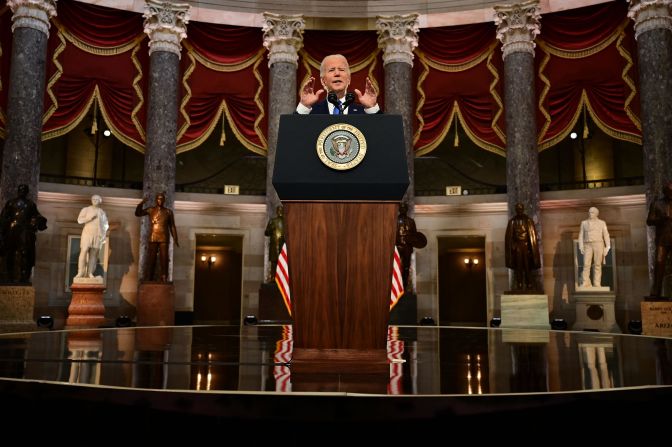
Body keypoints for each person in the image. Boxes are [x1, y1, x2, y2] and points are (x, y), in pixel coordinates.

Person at [296, 54, 380, 115]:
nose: (337, 73)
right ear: (323, 81)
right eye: (331, 70)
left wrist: (372, 108)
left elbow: (383, 134)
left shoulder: (364, 112)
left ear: (349, 79)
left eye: (341, 69)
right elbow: (292, 133)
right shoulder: (310, 112)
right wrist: (304, 106)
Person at [0, 184, 47, 283]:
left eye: (24, 190)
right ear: (18, 191)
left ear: (27, 192)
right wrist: (2, 230)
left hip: (25, 230)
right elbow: (4, 217)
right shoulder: (11, 203)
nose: (22, 191)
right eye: (21, 189)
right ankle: (9, 275)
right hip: (12, 230)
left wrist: (38, 221)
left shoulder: (30, 204)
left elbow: (36, 215)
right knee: (10, 253)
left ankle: (23, 276)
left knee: (25, 253)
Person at [135, 192, 179, 283]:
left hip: (164, 236)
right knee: (151, 258)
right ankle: (149, 277)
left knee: (164, 258)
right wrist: (141, 203)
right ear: (156, 200)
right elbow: (138, 213)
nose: (160, 200)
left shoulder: (168, 212)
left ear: (164, 200)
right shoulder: (151, 210)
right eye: (158, 198)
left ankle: (164, 277)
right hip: (153, 236)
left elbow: (172, 226)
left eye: (162, 199)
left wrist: (175, 238)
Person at [504, 203, 541, 291]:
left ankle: (529, 283)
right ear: (516, 210)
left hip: (526, 246)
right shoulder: (512, 221)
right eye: (518, 209)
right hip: (517, 247)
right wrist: (513, 246)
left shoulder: (528, 220)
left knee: (527, 266)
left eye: (520, 208)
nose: (519, 210)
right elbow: (509, 237)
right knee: (518, 266)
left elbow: (532, 236)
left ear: (523, 209)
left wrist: (531, 249)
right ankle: (519, 283)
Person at [646, 181, 672, 299]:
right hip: (662, 239)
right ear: (665, 192)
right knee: (659, 264)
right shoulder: (657, 203)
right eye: (669, 191)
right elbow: (649, 221)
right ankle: (656, 292)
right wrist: (661, 220)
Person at [75, 194, 109, 279]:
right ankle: (80, 272)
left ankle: (90, 273)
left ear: (100, 201)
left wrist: (103, 233)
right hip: (87, 232)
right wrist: (89, 218)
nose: (95, 200)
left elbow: (106, 225)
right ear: (91, 200)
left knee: (93, 254)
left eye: (97, 199)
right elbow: (79, 220)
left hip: (97, 234)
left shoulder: (102, 212)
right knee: (84, 250)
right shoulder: (86, 209)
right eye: (93, 199)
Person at [396, 203, 426, 291]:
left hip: (407, 247)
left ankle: (404, 283)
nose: (402, 210)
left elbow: (415, 235)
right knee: (397, 265)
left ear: (406, 210)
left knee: (406, 265)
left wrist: (412, 241)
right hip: (397, 246)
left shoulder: (411, 221)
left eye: (404, 208)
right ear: (399, 210)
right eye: (401, 208)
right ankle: (397, 282)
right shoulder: (395, 220)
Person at [578, 206, 611, 288]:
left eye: (592, 212)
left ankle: (597, 283)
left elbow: (606, 235)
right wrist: (581, 245)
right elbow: (581, 235)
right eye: (589, 212)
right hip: (587, 245)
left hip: (598, 244)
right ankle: (585, 282)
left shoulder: (602, 223)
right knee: (586, 264)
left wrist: (608, 246)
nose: (590, 213)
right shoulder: (584, 223)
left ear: (596, 214)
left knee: (597, 264)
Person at [264, 205, 285, 282]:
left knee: (282, 261)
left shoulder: (286, 222)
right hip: (274, 244)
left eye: (281, 210)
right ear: (277, 211)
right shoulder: (272, 221)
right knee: (274, 262)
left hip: (283, 245)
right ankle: (273, 277)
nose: (280, 211)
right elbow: (266, 233)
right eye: (279, 210)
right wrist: (271, 229)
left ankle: (281, 278)